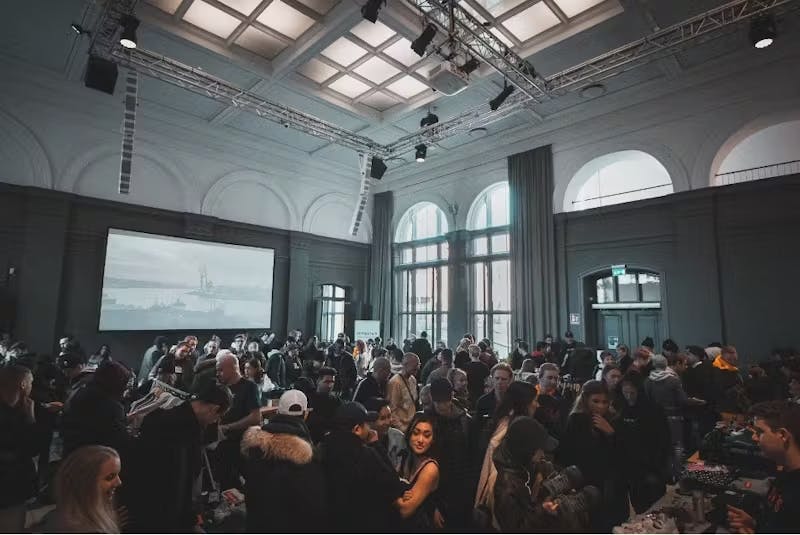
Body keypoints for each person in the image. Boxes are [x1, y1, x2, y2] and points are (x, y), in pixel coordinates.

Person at [123, 382, 232, 533]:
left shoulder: (162, 417)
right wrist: (190, 521)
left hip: (145, 508)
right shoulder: (185, 433)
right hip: (163, 517)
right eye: (218, 416)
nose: (215, 422)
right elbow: (180, 483)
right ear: (213, 409)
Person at [242, 389, 328, 533]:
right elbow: (313, 503)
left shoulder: (255, 446)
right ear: (306, 414)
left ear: (278, 412)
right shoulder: (307, 455)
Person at [320, 402, 406, 533]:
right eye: (366, 424)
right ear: (357, 429)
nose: (370, 427)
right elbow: (393, 484)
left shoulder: (321, 450)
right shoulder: (365, 455)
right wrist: (376, 445)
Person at [557, 380, 627, 532]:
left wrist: (611, 433)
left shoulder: (614, 419)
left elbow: (623, 453)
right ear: (586, 400)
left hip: (611, 483)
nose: (600, 406)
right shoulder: (577, 420)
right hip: (587, 482)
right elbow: (574, 454)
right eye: (595, 401)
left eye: (605, 402)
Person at [727, 401, 800, 534]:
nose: (754, 437)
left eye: (760, 432)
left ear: (782, 435)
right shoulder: (785, 471)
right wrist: (756, 524)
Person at [475, 381, 539, 515]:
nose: (537, 405)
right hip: (501, 488)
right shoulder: (508, 428)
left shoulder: (507, 422)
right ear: (524, 402)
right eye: (534, 400)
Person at [491, 417, 560, 533]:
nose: (543, 454)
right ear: (526, 452)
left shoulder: (520, 463)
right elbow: (516, 529)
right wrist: (541, 511)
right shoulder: (506, 489)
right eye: (539, 450)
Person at [645, 354, 704, 481]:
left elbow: (647, 400)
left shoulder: (648, 381)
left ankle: (665, 474)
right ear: (666, 364)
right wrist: (696, 401)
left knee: (661, 446)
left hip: (656, 418)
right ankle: (677, 473)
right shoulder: (673, 380)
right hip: (674, 416)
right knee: (677, 446)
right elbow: (682, 400)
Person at [38, 445, 122, 533]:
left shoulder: (53, 516)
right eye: (110, 477)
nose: (119, 482)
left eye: (117, 474)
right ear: (84, 483)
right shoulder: (88, 530)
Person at [619, 375, 671, 513]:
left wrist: (658, 468)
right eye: (625, 393)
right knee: (640, 506)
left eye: (632, 393)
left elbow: (663, 441)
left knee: (657, 505)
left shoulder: (653, 409)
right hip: (633, 469)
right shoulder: (622, 409)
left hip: (652, 466)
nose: (629, 397)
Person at [426, 378, 473, 530]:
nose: (442, 406)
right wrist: (431, 505)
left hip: (461, 488)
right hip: (436, 487)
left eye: (445, 401)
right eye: (439, 402)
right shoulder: (425, 420)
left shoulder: (464, 420)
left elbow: (470, 456)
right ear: (432, 399)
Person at [61, 361, 131, 459]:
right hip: (93, 461)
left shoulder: (81, 392)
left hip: (71, 454)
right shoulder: (112, 406)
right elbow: (120, 441)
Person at [215, 350, 260, 489]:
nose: (218, 373)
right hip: (221, 444)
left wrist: (228, 427)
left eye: (221, 370)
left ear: (232, 368)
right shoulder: (220, 388)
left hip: (241, 445)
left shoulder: (249, 387)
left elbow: (255, 417)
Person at [0, 365, 40, 508]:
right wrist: (31, 419)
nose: (31, 386)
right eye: (30, 382)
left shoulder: (16, 408)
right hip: (12, 483)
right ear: (23, 384)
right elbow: (32, 448)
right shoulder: (18, 414)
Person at [397, 413, 442, 532]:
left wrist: (394, 494)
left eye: (427, 435)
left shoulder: (430, 468)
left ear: (433, 440)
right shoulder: (405, 457)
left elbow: (405, 510)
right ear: (409, 434)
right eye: (416, 433)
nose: (420, 440)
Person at [363, 397, 406, 470]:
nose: (388, 422)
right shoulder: (361, 440)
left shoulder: (399, 437)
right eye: (382, 418)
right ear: (370, 422)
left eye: (389, 416)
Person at [306, 367, 342, 444]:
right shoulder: (308, 399)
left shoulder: (336, 401)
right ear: (318, 381)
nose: (330, 385)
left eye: (332, 382)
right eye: (327, 382)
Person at [534, 362, 570, 439]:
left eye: (556, 378)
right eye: (549, 378)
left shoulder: (562, 402)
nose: (553, 382)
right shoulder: (530, 396)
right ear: (540, 377)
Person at [386, 353, 420, 433]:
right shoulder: (395, 382)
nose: (417, 366)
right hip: (402, 428)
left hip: (412, 425)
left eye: (418, 364)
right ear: (405, 364)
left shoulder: (413, 380)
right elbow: (392, 410)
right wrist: (402, 429)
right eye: (414, 364)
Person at [710, 345, 748, 414]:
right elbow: (719, 391)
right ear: (722, 357)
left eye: (735, 358)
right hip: (727, 408)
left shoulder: (732, 368)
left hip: (735, 406)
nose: (733, 361)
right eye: (730, 359)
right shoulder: (718, 370)